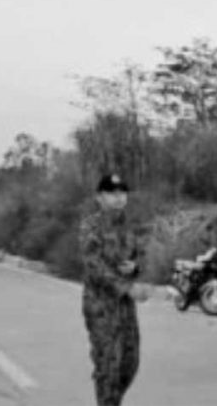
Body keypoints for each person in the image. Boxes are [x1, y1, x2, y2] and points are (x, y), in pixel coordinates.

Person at [79, 174, 150, 406]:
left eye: (122, 193)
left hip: (125, 308)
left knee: (129, 364)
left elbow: (141, 256)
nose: (119, 198)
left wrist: (136, 267)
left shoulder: (131, 226)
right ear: (99, 197)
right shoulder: (91, 225)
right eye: (112, 193)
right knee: (108, 366)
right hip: (100, 305)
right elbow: (93, 265)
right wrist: (126, 288)